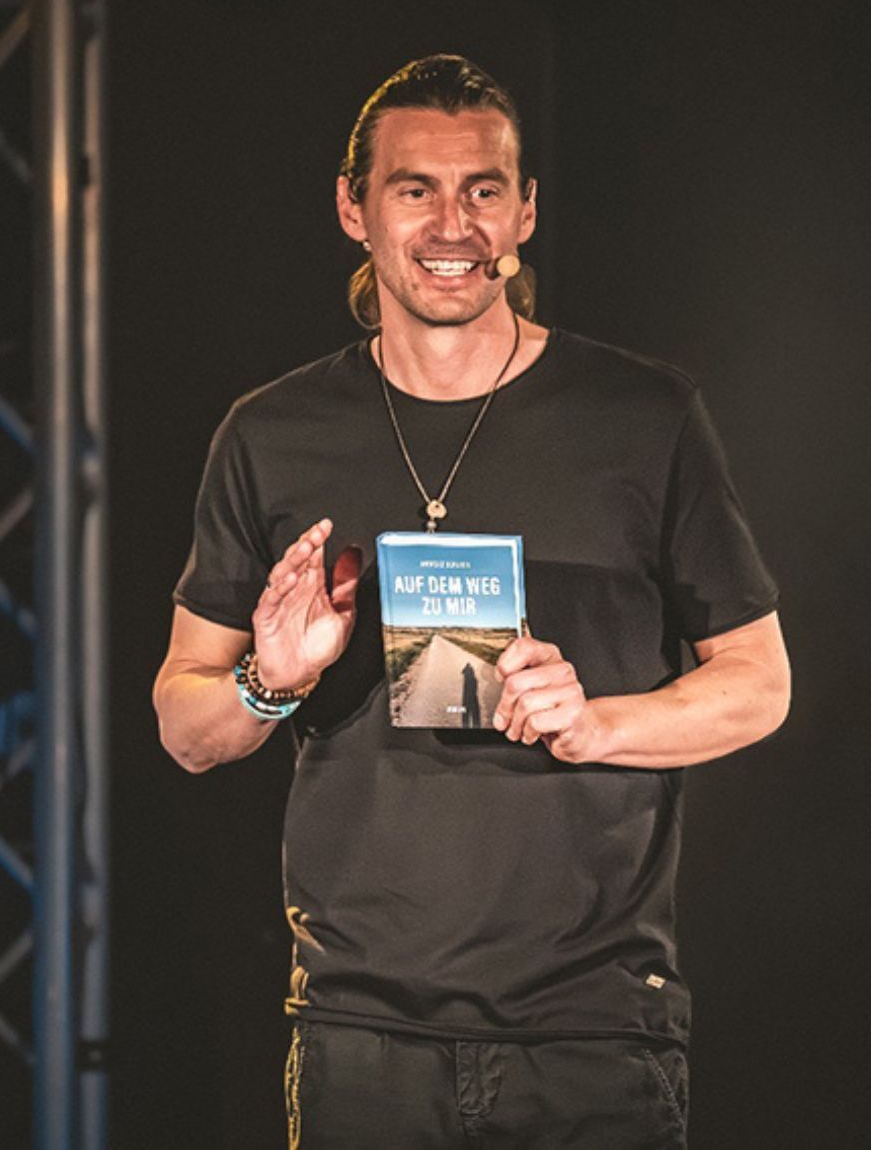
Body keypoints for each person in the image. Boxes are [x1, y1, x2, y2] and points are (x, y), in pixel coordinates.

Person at [153, 55, 790, 1148]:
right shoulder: (271, 434)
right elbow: (184, 724)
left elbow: (760, 684)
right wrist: (272, 682)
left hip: (597, 1035)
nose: (454, 224)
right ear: (355, 208)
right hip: (363, 1038)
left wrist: (600, 724)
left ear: (526, 211)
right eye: (416, 189)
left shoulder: (643, 418)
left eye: (484, 190)